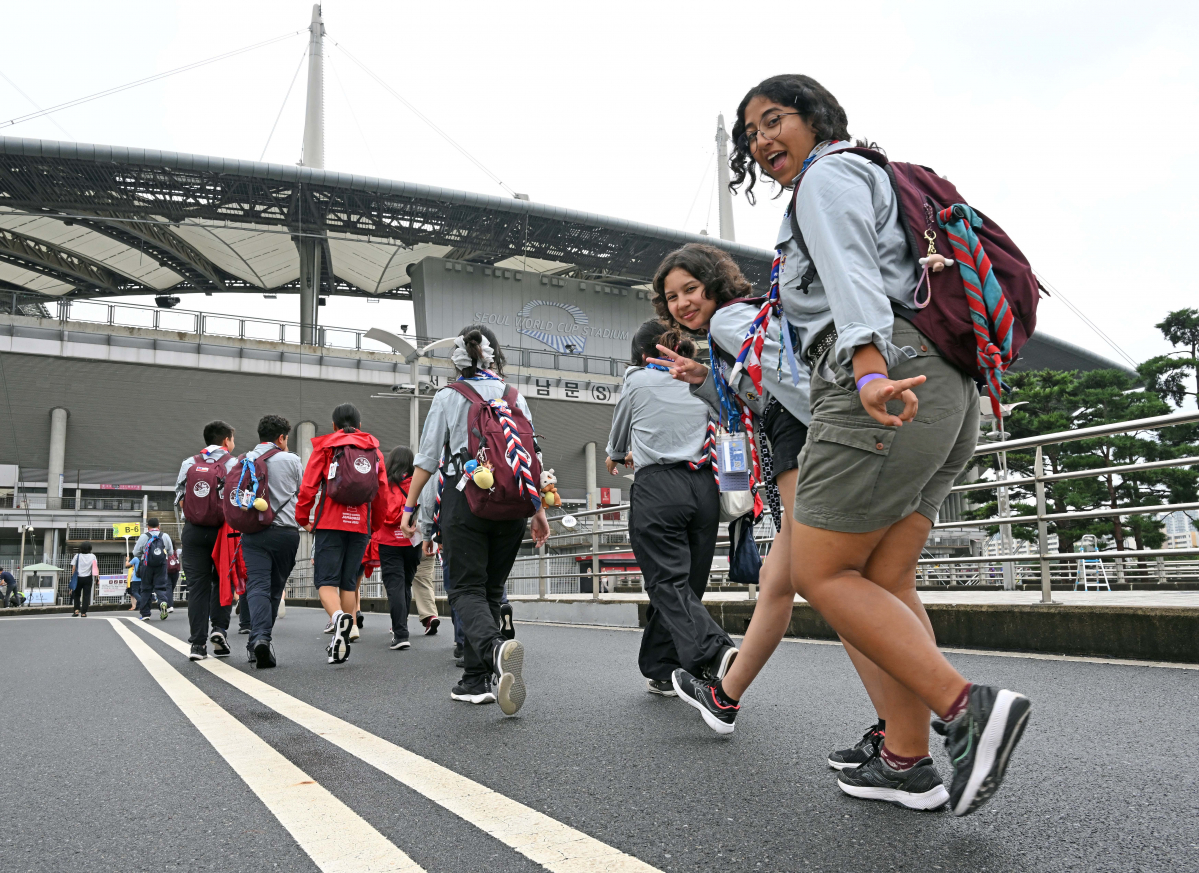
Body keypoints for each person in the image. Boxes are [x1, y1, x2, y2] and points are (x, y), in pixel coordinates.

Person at [698, 74, 1030, 815]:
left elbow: (849, 272)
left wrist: (868, 366)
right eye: (749, 133)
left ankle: (963, 708)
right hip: (946, 385)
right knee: (880, 578)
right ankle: (906, 759)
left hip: (885, 381)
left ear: (816, 118)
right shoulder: (882, 174)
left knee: (820, 571)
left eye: (773, 119)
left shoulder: (827, 176)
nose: (760, 140)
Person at [647, 244, 891, 767]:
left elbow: (791, 382)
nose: (683, 303)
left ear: (713, 283)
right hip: (802, 434)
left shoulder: (728, 321)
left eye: (690, 288)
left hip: (802, 437)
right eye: (672, 297)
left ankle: (906, 729)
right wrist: (704, 379)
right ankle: (725, 697)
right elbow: (761, 382)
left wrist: (838, 429)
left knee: (836, 585)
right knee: (782, 582)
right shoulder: (738, 325)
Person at [401, 325, 550, 714]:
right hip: (514, 503)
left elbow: (427, 459)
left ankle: (494, 650)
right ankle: (474, 680)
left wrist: (410, 508)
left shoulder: (450, 396)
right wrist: (538, 511)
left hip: (465, 501)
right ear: (492, 356)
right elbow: (529, 454)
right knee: (490, 590)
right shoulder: (514, 395)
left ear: (457, 363)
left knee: (466, 590)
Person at [606, 320, 738, 697]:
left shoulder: (636, 380)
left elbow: (619, 434)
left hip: (660, 488)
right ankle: (662, 668)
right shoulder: (700, 379)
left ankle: (716, 650)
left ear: (640, 353)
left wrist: (616, 456)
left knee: (667, 583)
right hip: (705, 488)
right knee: (687, 586)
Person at [296, 403, 388, 665]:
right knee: (349, 582)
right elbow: (381, 494)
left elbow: (308, 487)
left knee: (325, 582)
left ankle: (337, 619)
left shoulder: (327, 446)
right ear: (359, 424)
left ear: (334, 425)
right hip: (360, 526)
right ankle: (343, 640)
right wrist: (374, 525)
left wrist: (303, 518)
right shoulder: (374, 450)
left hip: (330, 524)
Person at [225, 415, 303, 669]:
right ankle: (262, 639)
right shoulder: (291, 460)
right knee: (275, 588)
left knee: (257, 585)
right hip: (286, 533)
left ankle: (258, 639)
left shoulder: (242, 460)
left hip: (253, 533)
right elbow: (303, 493)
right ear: (281, 438)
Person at [175, 420, 237, 661]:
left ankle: (197, 646)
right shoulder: (233, 463)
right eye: (232, 439)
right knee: (223, 581)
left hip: (193, 531)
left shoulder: (189, 463)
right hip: (223, 532)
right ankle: (219, 631)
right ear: (226, 441)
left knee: (197, 588)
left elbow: (180, 499)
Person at [375, 446, 424, 650]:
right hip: (413, 541)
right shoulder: (418, 483)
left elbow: (377, 510)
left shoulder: (384, 484)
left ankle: (401, 632)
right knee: (405, 584)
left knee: (394, 585)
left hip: (388, 541)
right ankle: (401, 627)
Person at [133, 520, 174, 622]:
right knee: (160, 587)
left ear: (148, 526)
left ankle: (145, 614)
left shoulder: (144, 536)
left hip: (146, 565)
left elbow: (135, 552)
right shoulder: (165, 536)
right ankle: (162, 603)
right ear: (159, 526)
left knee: (146, 588)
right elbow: (171, 552)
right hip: (161, 565)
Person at [69, 542, 98, 617]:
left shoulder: (77, 556)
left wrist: (73, 577)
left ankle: (76, 611)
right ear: (90, 548)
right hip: (88, 578)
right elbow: (95, 567)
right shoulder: (93, 556)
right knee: (86, 595)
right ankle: (83, 612)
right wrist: (97, 578)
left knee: (77, 595)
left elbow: (73, 568)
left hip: (78, 577)